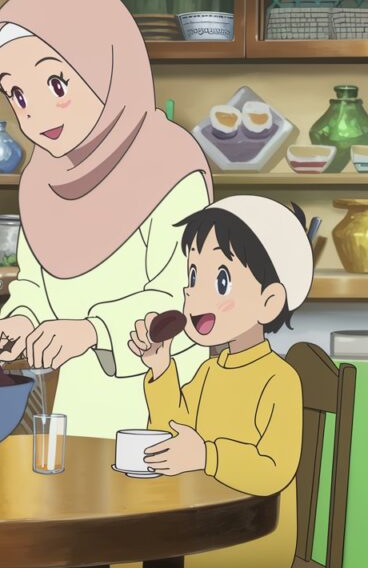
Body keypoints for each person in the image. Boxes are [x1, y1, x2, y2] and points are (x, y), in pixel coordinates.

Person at [0, 0, 214, 438]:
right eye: (18, 95)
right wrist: (20, 320)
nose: (35, 115)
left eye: (57, 84)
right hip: (83, 411)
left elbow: (180, 300)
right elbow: (38, 283)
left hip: (163, 407)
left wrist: (90, 331)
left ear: (106, 64)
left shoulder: (171, 165)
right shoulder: (40, 181)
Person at [130, 196, 310, 567]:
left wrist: (207, 456)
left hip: (250, 535)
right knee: (121, 550)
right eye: (193, 276)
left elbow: (274, 469)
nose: (194, 295)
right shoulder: (210, 372)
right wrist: (161, 367)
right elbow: (171, 431)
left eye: (221, 280)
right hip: (198, 522)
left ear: (270, 301)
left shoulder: (280, 380)